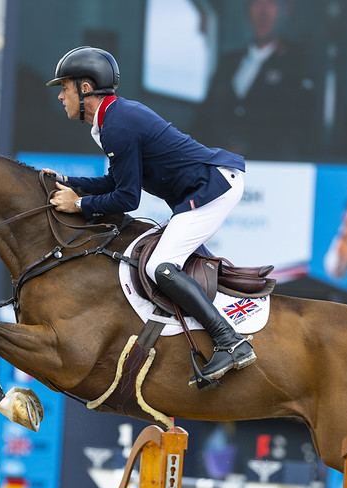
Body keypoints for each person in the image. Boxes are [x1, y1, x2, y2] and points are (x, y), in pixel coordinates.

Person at [44, 45, 256, 389]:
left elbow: (126, 198)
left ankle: (230, 341)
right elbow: (115, 182)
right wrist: (69, 182)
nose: (60, 97)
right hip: (207, 185)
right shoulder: (111, 119)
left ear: (85, 89)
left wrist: (79, 205)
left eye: (64, 88)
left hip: (212, 186)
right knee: (167, 263)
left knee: (161, 266)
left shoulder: (118, 124)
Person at [191, 0, 320, 161]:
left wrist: (247, 148)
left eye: (271, 4)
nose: (263, 14)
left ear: (285, 10)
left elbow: (298, 128)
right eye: (256, 4)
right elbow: (204, 120)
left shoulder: (298, 64)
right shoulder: (228, 63)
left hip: (270, 169)